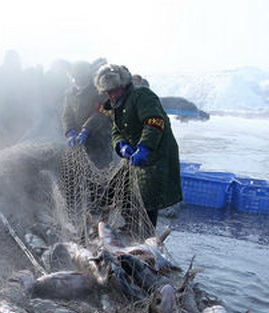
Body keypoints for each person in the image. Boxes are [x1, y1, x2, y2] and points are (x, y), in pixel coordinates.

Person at [94, 63, 181, 227]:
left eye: (114, 90)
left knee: (147, 197)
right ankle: (129, 226)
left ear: (123, 85)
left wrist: (145, 147)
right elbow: (116, 130)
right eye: (108, 92)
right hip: (133, 155)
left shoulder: (141, 95)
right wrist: (121, 145)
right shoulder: (116, 104)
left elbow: (154, 121)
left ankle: (145, 235)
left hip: (155, 155)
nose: (111, 95)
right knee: (115, 189)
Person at [61, 60, 115, 169]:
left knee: (100, 174)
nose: (78, 81)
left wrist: (86, 129)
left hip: (100, 141)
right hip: (79, 142)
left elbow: (102, 111)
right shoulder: (70, 93)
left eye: (81, 78)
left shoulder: (100, 90)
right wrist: (69, 132)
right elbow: (67, 114)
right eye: (75, 78)